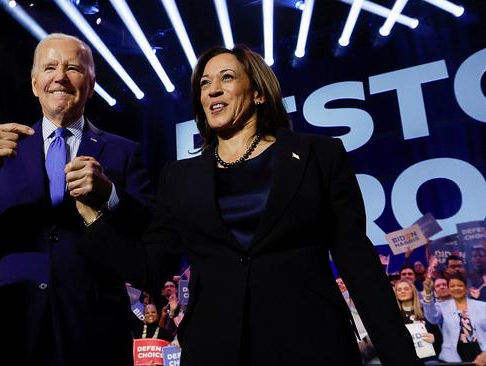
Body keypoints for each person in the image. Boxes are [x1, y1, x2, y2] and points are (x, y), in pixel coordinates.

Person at [74, 44, 421, 365]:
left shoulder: (319, 155)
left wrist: (400, 357)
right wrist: (94, 220)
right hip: (216, 350)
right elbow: (151, 268)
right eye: (204, 83)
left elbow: (358, 262)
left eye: (226, 77)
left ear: (257, 92)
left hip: (312, 343)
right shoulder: (179, 177)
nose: (212, 89)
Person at [0, 33, 154, 365]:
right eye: (50, 67)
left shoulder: (123, 151)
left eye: (72, 67)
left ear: (91, 83)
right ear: (34, 84)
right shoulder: (2, 149)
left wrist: (109, 195)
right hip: (10, 320)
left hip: (92, 326)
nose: (60, 76)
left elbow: (149, 231)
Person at [423, 273, 486, 363]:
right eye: (452, 286)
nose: (456, 288)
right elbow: (433, 318)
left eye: (460, 285)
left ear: (466, 288)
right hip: (452, 356)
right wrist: (428, 294)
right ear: (448, 289)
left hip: (482, 352)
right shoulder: (442, 307)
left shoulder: (482, 306)